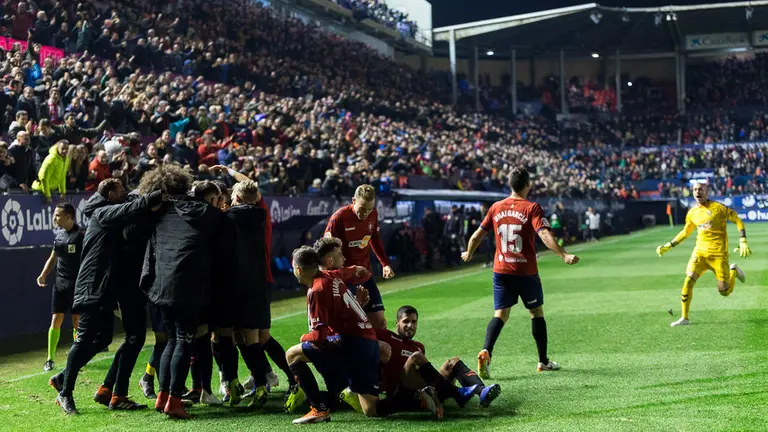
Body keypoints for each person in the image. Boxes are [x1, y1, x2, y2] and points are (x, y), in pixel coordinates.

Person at [285, 239, 440, 424]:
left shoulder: (316, 290)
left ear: (298, 270)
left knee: (293, 354)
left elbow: (319, 336)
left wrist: (305, 337)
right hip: (367, 343)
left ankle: (319, 408)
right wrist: (356, 270)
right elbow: (345, 277)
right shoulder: (333, 277)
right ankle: (418, 398)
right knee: (371, 409)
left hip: (353, 345)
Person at [49, 179, 163, 415]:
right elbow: (127, 208)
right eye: (121, 191)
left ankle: (63, 378)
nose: (124, 194)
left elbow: (128, 205)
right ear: (110, 194)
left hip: (104, 287)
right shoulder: (102, 213)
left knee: (103, 339)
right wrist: (151, 198)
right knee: (84, 339)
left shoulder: (107, 214)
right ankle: (65, 393)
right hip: (91, 285)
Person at [461, 167, 579, 379]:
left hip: (501, 271)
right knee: (536, 313)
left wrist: (468, 252)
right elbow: (543, 233)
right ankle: (543, 361)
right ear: (528, 185)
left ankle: (486, 351)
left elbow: (478, 234)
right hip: (525, 271)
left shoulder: (496, 207)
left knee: (501, 314)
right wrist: (563, 254)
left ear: (510, 184)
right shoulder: (532, 208)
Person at [141, 165, 224, 419]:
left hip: (161, 288)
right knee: (183, 342)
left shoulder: (161, 214)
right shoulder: (204, 212)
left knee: (171, 341)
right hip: (187, 288)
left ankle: (164, 396)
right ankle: (175, 401)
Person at [355, 305, 501, 413]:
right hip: (400, 390)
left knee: (453, 362)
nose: (410, 326)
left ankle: (482, 392)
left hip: (423, 387)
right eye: (406, 321)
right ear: (397, 323)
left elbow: (427, 374)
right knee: (416, 357)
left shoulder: (418, 346)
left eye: (414, 322)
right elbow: (361, 330)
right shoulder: (385, 335)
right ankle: (457, 393)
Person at [656, 182, 751, 327]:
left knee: (724, 291)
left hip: (718, 255)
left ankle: (733, 270)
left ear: (707, 191)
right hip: (699, 253)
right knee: (688, 280)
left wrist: (743, 239)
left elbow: (737, 220)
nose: (697, 192)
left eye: (700, 189)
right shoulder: (692, 212)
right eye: (695, 189)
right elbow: (685, 232)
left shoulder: (719, 208)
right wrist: (669, 245)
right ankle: (684, 317)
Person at [324, 184, 394, 329]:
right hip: (345, 279)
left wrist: (385, 264)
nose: (366, 213)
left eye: (369, 209)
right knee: (352, 325)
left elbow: (374, 238)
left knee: (380, 324)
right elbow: (326, 251)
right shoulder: (339, 218)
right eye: (362, 209)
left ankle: (376, 352)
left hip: (365, 274)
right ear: (353, 200)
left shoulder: (373, 214)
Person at [36, 202, 84, 372]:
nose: (54, 218)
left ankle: (77, 356)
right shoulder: (59, 236)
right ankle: (50, 359)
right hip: (60, 284)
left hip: (77, 284)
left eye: (57, 215)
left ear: (69, 217)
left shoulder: (81, 236)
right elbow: (53, 257)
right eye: (54, 215)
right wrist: (43, 274)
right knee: (56, 318)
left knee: (77, 321)